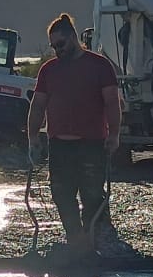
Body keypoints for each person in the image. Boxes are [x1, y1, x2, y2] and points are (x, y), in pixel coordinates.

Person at [27, 13, 120, 257]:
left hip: (91, 144)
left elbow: (111, 103)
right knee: (61, 193)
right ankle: (76, 239)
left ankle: (91, 240)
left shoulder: (99, 66)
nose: (58, 50)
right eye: (54, 46)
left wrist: (115, 134)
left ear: (73, 37)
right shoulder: (49, 70)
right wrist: (33, 138)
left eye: (61, 44)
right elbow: (37, 106)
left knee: (92, 194)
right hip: (59, 145)